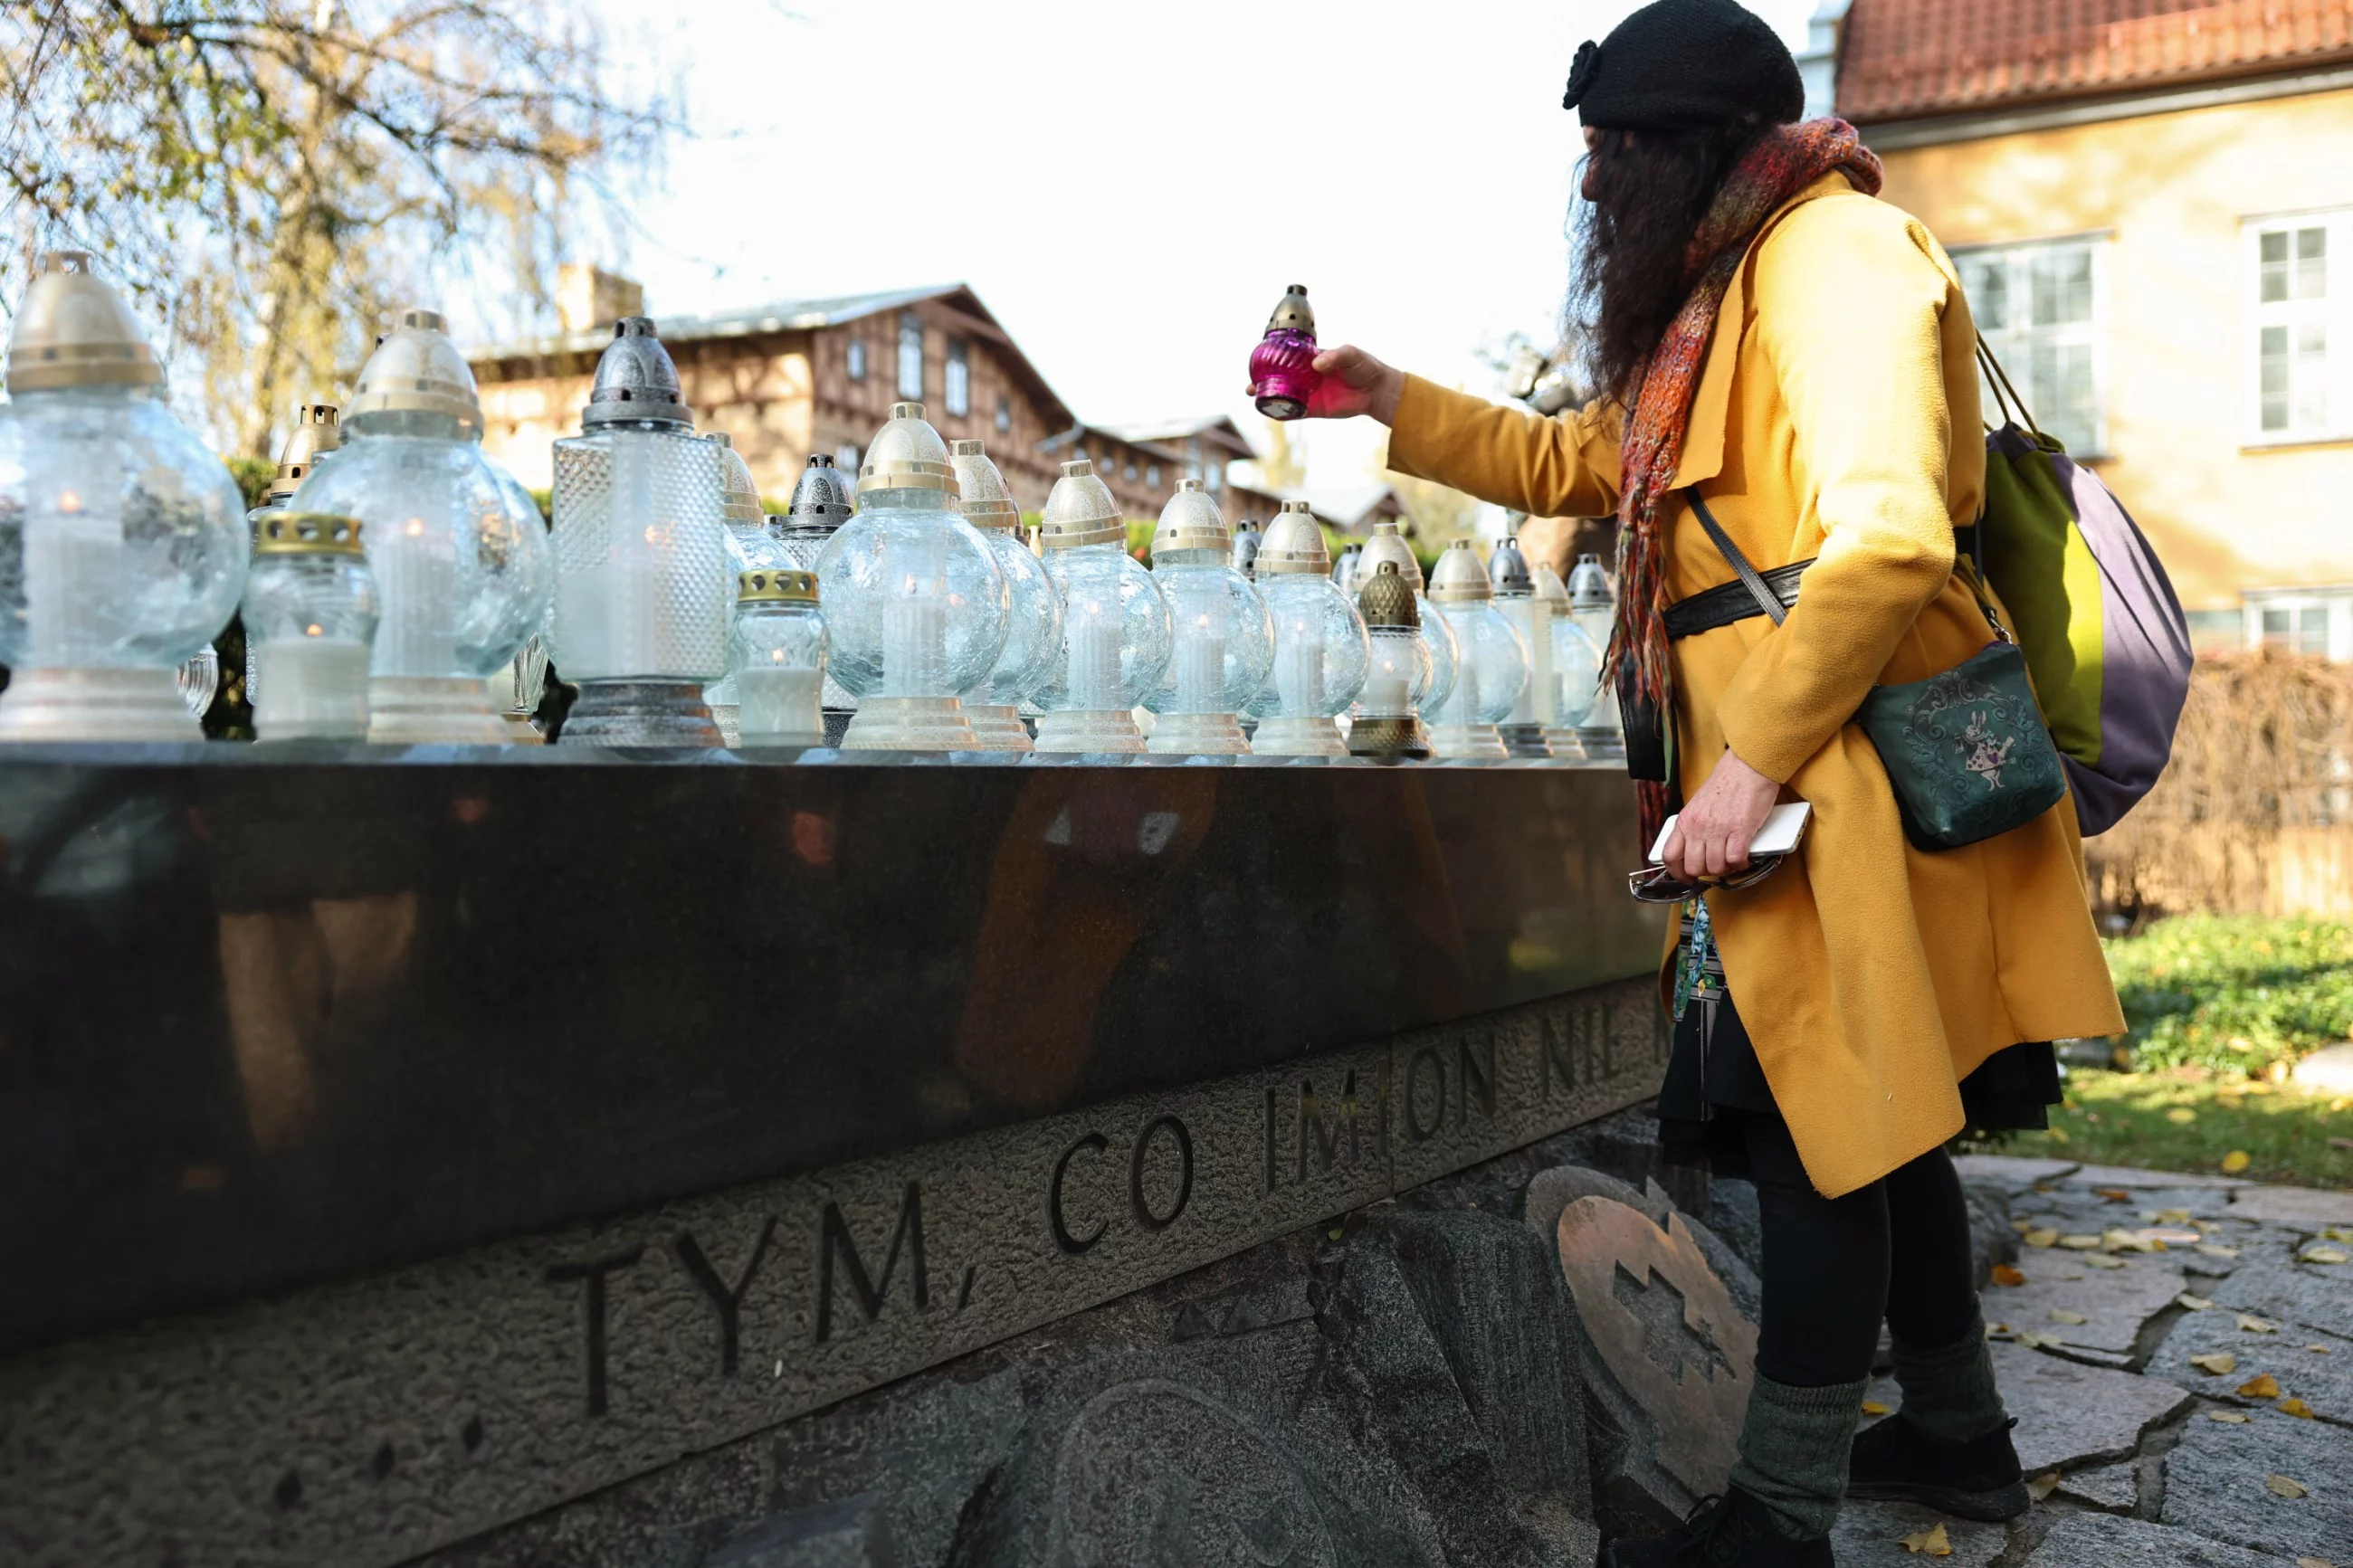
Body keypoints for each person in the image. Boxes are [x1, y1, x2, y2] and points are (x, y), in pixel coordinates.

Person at [1302, 1, 2126, 1563]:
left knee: (1817, 1137)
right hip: (1812, 775)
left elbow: (1885, 536)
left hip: (1838, 778)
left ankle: (1778, 1520)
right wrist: (1384, 395)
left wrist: (1745, 775)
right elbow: (1575, 466)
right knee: (1886, 1117)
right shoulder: (1734, 293)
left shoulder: (1833, 258)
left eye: (1615, 156)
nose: (1598, 190)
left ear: (1693, 149)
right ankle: (1961, 1438)